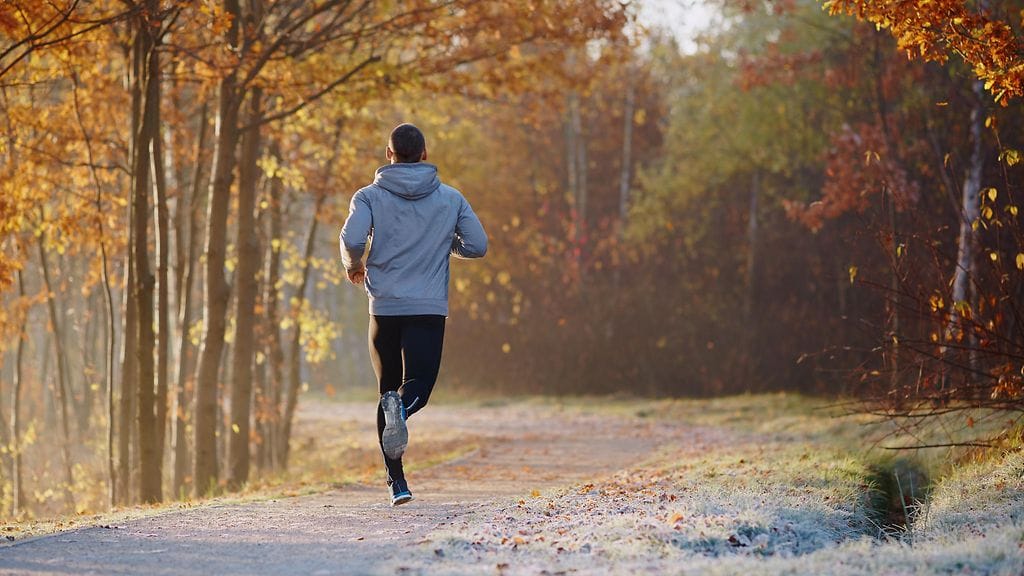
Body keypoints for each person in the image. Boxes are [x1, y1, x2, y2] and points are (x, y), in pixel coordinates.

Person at [339, 123, 488, 506]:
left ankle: (397, 483)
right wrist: (444, 243)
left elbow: (353, 239)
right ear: (424, 154)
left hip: (384, 307)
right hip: (427, 307)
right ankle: (402, 409)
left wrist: (354, 265)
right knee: (417, 384)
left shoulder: (368, 196)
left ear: (389, 155)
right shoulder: (451, 199)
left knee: (387, 389)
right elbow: (478, 245)